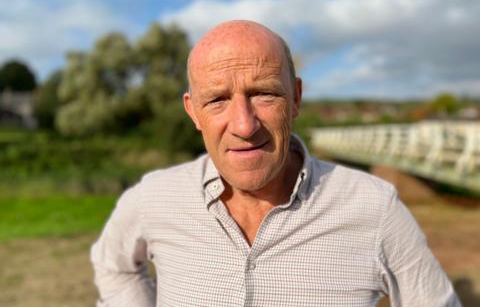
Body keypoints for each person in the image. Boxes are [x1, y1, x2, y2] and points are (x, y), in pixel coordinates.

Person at [91, 20, 460, 306]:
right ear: (193, 112)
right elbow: (113, 266)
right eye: (217, 99)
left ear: (296, 98)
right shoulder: (155, 196)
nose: (244, 125)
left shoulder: (374, 207)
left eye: (264, 93)